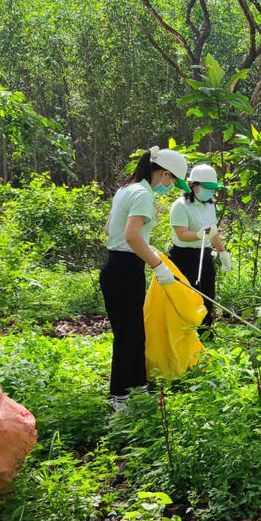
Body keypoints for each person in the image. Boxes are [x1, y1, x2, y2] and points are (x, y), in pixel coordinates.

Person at [100, 146, 190, 412]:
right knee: (127, 335)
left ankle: (140, 386)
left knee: (136, 332)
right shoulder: (142, 194)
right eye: (172, 180)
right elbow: (130, 235)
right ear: (163, 174)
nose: (171, 186)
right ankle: (119, 399)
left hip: (117, 265)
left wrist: (146, 249)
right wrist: (157, 264)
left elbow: (110, 229)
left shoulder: (125, 190)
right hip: (125, 269)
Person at [168, 164, 231, 335]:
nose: (210, 193)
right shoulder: (180, 206)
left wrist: (223, 252)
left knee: (207, 296)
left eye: (213, 189)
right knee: (186, 298)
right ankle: (185, 336)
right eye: (207, 188)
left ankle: (206, 335)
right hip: (183, 257)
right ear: (194, 186)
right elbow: (181, 234)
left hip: (204, 254)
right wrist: (198, 234)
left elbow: (213, 232)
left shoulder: (210, 205)